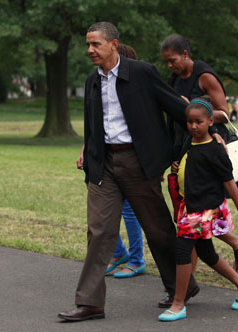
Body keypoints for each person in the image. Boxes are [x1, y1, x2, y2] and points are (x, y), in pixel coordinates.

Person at [58, 22, 199, 322]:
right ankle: (90, 303)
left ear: (113, 44)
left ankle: (181, 287)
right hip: (104, 165)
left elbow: (178, 110)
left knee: (158, 229)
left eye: (95, 44)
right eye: (88, 44)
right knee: (99, 232)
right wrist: (89, 153)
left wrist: (197, 141)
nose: (90, 50)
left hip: (138, 162)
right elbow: (93, 123)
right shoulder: (91, 81)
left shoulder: (142, 72)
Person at [160, 34, 238, 279]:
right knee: (196, 215)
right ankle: (235, 246)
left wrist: (195, 108)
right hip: (185, 147)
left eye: (173, 60)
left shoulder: (205, 76)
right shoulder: (174, 79)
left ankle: (188, 281)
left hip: (207, 148)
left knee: (196, 216)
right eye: (166, 62)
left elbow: (224, 113)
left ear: (186, 55)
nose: (170, 66)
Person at [158, 96, 238, 322]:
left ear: (211, 121)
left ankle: (178, 304)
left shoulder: (215, 148)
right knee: (205, 252)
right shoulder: (188, 142)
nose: (193, 126)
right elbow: (188, 162)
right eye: (190, 121)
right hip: (189, 205)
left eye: (198, 122)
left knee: (182, 250)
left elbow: (230, 183)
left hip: (204, 209)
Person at [76, 44, 145, 279]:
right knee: (100, 212)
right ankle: (119, 254)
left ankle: (136, 259)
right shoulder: (99, 84)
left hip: (129, 159)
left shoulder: (132, 89)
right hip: (103, 157)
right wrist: (86, 150)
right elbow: (99, 124)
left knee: (129, 211)